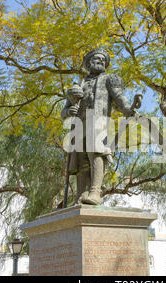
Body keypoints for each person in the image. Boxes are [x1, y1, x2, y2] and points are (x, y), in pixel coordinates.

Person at [61, 48, 137, 205]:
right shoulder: (78, 84)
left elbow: (120, 99)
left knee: (95, 153)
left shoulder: (109, 79)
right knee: (81, 159)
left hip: (98, 121)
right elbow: (64, 111)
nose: (101, 61)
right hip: (79, 124)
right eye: (98, 58)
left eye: (104, 60)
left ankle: (95, 192)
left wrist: (130, 108)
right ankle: (81, 194)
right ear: (89, 62)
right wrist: (69, 111)